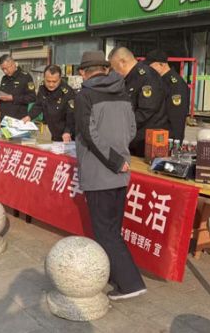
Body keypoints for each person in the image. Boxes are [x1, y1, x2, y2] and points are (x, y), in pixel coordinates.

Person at [74, 50, 147, 301]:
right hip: (121, 173)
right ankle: (112, 274)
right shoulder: (122, 92)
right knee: (113, 229)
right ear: (105, 69)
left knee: (105, 232)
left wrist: (114, 161)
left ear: (83, 72)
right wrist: (120, 156)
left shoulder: (84, 95)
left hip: (100, 173)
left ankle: (130, 283)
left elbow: (89, 134)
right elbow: (132, 129)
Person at [108, 47, 167, 157]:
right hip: (132, 139)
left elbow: (146, 111)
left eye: (114, 67)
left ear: (122, 62)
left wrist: (121, 125)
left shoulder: (147, 77)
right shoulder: (129, 78)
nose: (114, 71)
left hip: (144, 142)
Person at [22, 65, 75, 142]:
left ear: (60, 79)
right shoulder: (42, 88)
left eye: (54, 81)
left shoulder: (67, 92)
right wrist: (29, 116)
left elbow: (71, 114)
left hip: (66, 135)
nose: (51, 84)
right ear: (44, 78)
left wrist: (67, 131)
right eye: (48, 81)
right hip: (52, 131)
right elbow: (38, 105)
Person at [145, 49, 189, 142]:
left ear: (161, 64)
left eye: (150, 66)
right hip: (158, 134)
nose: (148, 69)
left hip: (168, 137)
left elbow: (177, 117)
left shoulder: (175, 84)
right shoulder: (159, 80)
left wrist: (174, 143)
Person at [0, 54, 36, 120]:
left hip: (17, 119)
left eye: (6, 68)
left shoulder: (25, 77)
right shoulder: (4, 78)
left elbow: (32, 97)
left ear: (13, 64)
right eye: (2, 69)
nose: (5, 71)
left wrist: (13, 98)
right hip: (4, 118)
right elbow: (2, 98)